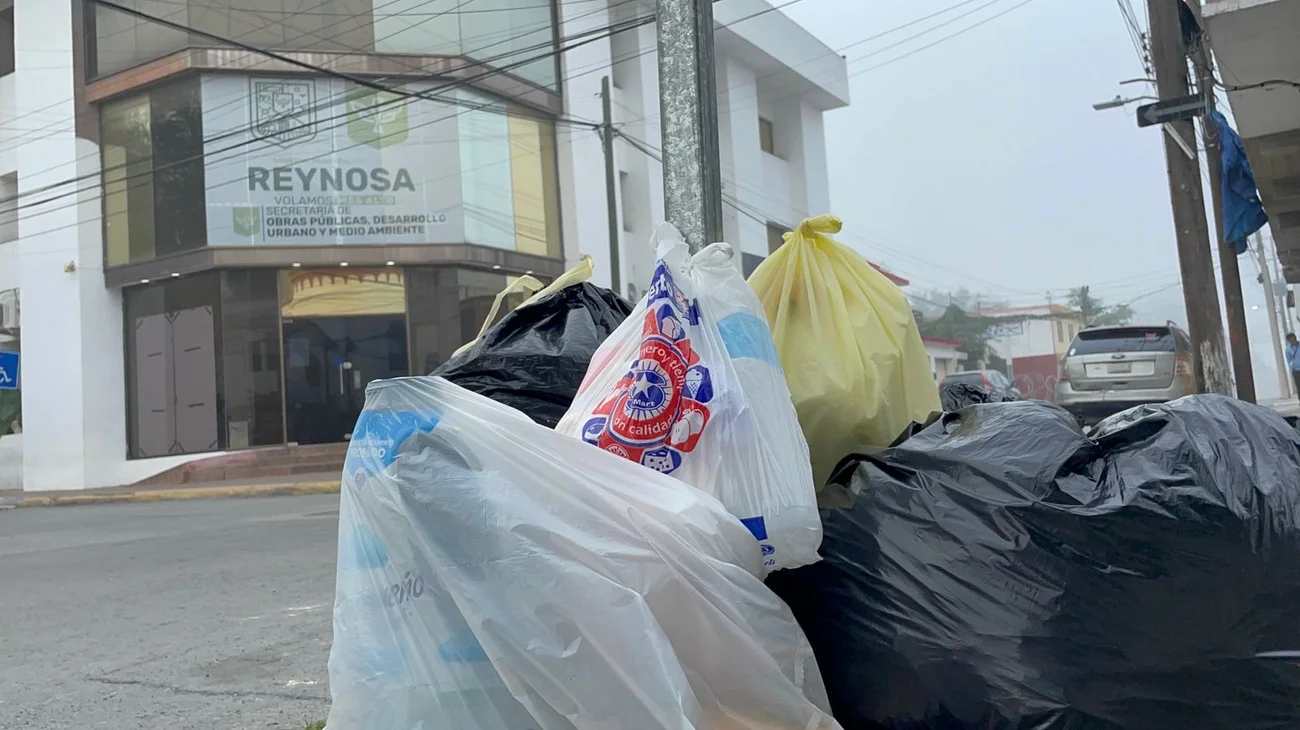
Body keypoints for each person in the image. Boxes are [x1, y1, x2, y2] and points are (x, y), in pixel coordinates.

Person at [1287, 333, 1300, 398]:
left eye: (1292, 338)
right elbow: (1289, 360)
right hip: (1296, 371)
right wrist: (1292, 369)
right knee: (1299, 386)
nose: (1291, 340)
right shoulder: (1288, 349)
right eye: (1290, 339)